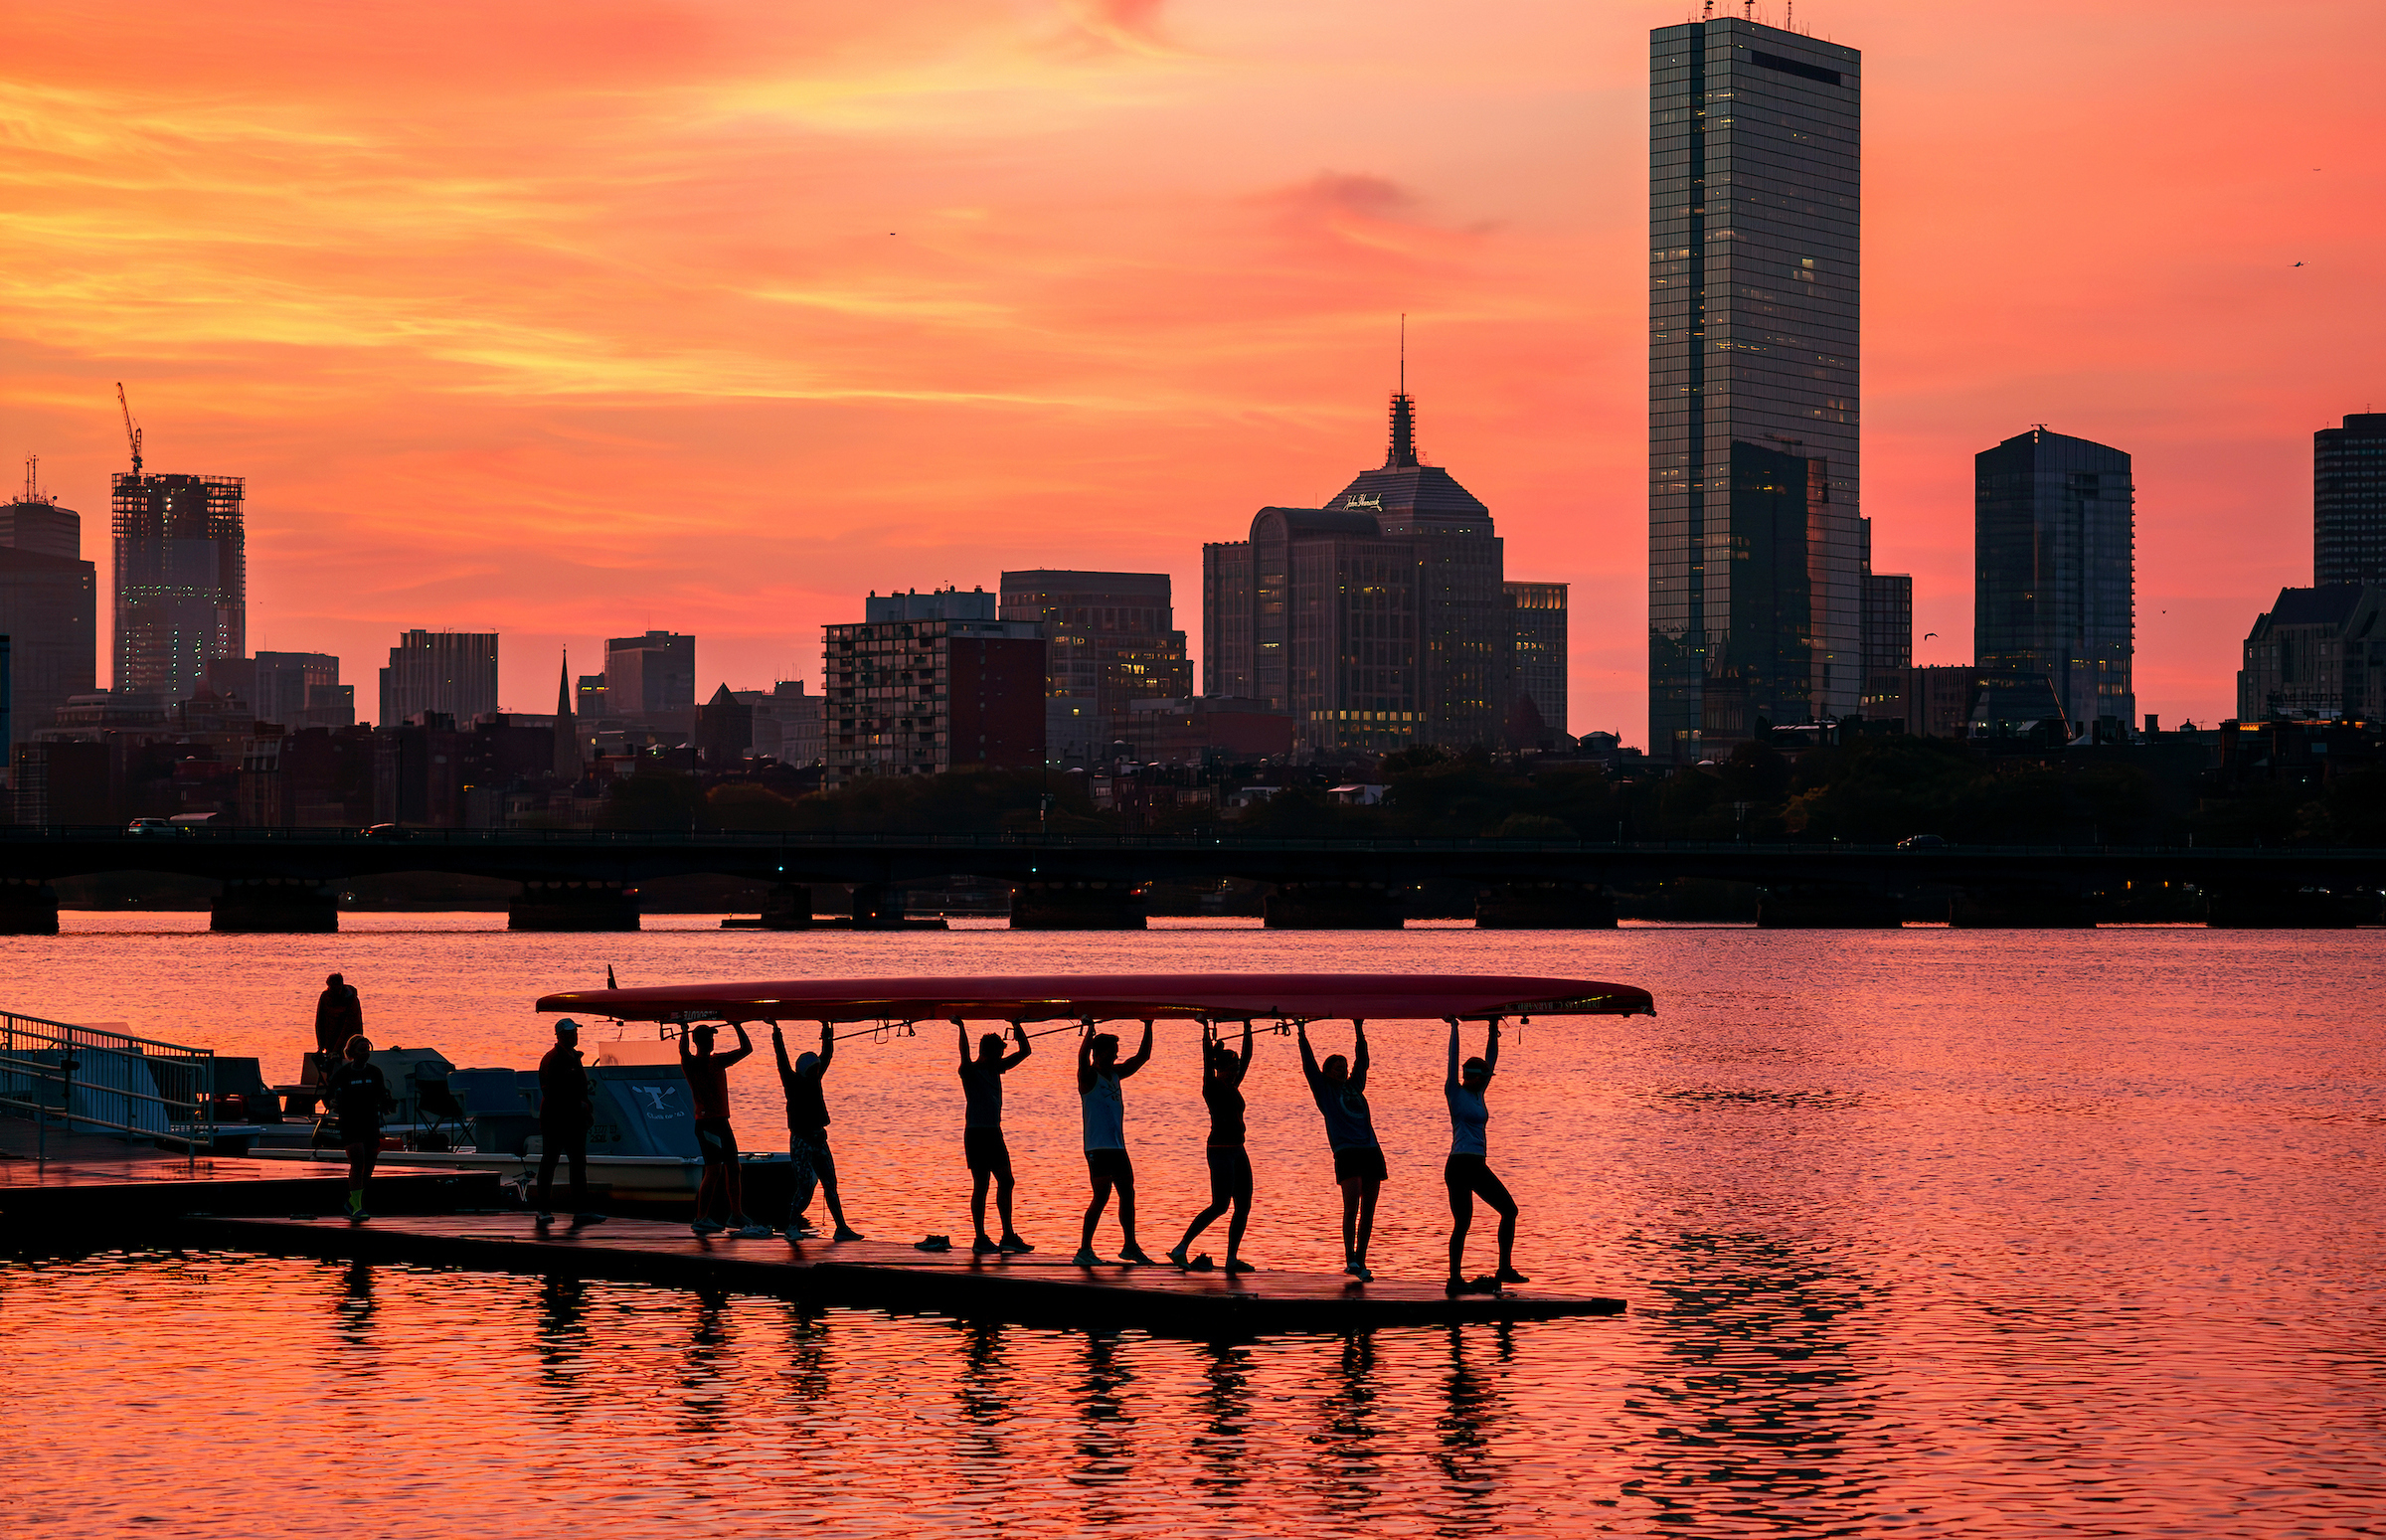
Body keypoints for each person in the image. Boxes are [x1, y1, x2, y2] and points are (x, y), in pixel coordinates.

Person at [1298, 1021, 1386, 1283]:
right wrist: (1301, 1033)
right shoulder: (1323, 1089)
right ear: (1327, 1071)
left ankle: (1362, 1258)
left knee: (1369, 1208)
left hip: (1371, 1150)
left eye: (1344, 1069)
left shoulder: (1354, 1085)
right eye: (1337, 1069)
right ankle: (1350, 1258)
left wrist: (1359, 1028)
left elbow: (1363, 1061)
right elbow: (1308, 1064)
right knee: (1352, 1206)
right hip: (1347, 1151)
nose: (1343, 1072)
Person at [1444, 1019, 1525, 1291]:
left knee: (1509, 1211)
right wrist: (1454, 1028)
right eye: (1485, 1076)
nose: (1488, 1079)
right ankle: (1454, 1279)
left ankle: (1504, 1267)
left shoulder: (1479, 1093)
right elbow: (1452, 1060)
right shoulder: (1454, 1092)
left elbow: (1492, 1058)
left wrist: (1492, 1028)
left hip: (1477, 1164)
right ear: (1475, 1076)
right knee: (1463, 1222)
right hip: (1459, 1165)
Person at [1169, 1019, 1256, 1275]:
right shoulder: (1212, 1086)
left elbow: (1248, 1056)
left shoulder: (1233, 1087)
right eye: (1231, 1068)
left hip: (1238, 1150)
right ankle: (1181, 1247)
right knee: (1220, 1205)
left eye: (1237, 1069)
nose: (1235, 1072)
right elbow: (1207, 1061)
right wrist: (1206, 1032)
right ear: (1221, 1069)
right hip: (1219, 1150)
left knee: (1243, 1204)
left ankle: (1231, 1258)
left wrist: (1248, 1027)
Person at [1073, 1020, 1155, 1267]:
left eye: (1116, 1052)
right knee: (1101, 1196)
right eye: (1111, 1052)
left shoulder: (1115, 1074)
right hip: (1097, 1147)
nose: (1116, 1055)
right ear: (1099, 1054)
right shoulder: (1088, 1076)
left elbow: (1142, 1057)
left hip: (1118, 1147)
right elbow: (1081, 1057)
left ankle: (1130, 1245)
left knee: (1127, 1193)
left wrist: (1148, 1025)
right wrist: (1089, 1030)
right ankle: (1084, 1250)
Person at [773, 1023, 862, 1242]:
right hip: (801, 1140)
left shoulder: (817, 1078)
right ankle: (792, 1225)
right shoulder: (792, 1081)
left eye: (817, 1068)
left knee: (830, 1184)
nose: (817, 1071)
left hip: (819, 1139)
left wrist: (827, 1028)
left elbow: (828, 1053)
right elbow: (781, 1059)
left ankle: (841, 1227)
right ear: (805, 1070)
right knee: (805, 1186)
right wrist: (776, 1033)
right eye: (813, 1068)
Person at [679, 1021, 767, 1238]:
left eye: (712, 1037)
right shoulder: (691, 1062)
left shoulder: (718, 1060)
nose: (712, 1041)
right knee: (713, 1170)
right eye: (708, 1038)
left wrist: (737, 1024)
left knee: (734, 1167)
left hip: (722, 1122)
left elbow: (746, 1049)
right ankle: (701, 1218)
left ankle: (736, 1214)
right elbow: (683, 1050)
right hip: (706, 1123)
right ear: (699, 1042)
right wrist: (683, 1029)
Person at [957, 1022, 1035, 1256]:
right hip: (977, 1133)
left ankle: (1007, 1235)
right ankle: (980, 1237)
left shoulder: (996, 1068)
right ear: (988, 1053)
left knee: (1007, 1181)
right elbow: (964, 1052)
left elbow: (1025, 1051)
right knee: (982, 1185)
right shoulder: (970, 1071)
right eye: (999, 1053)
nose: (1001, 1057)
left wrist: (1016, 1024)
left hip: (993, 1132)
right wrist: (960, 1026)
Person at [534, 1018, 605, 1230]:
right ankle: (543, 1209)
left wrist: (584, 1110)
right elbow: (551, 1092)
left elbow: (579, 1089)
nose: (575, 1035)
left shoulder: (574, 1058)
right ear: (560, 1035)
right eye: (571, 1032)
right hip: (556, 1120)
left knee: (578, 1164)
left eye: (575, 1031)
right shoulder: (553, 1059)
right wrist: (577, 1105)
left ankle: (582, 1210)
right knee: (549, 1162)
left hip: (575, 1121)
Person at [321, 1035, 392, 1223]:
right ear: (352, 1052)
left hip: (370, 1122)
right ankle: (357, 1207)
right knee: (357, 1160)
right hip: (350, 1122)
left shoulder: (375, 1072)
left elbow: (381, 1095)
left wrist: (387, 1104)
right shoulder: (344, 1074)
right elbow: (327, 1096)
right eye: (362, 1050)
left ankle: (354, 1201)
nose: (365, 1054)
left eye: (367, 1050)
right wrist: (332, 1102)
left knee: (369, 1162)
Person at [312, 973, 362, 1062]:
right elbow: (320, 1022)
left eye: (336, 986)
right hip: (330, 1041)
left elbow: (351, 1025)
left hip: (349, 1043)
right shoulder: (325, 997)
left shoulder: (351, 999)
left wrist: (337, 1049)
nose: (334, 990)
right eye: (331, 987)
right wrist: (321, 1045)